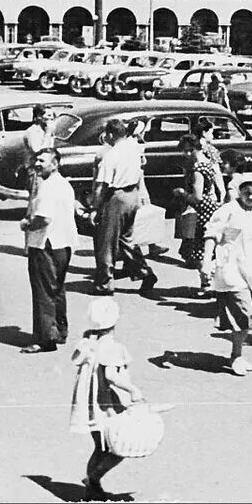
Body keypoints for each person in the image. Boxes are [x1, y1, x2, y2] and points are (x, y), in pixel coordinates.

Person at [201, 173, 252, 376]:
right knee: (243, 315)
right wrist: (205, 263)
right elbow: (212, 234)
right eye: (247, 193)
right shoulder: (228, 210)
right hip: (232, 270)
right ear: (240, 191)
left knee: (249, 316)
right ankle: (236, 355)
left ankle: (237, 353)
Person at [69, 298, 147, 502]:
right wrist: (132, 389)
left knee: (100, 446)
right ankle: (93, 479)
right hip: (106, 405)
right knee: (118, 448)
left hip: (91, 404)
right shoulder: (112, 347)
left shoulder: (88, 343)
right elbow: (112, 376)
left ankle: (92, 487)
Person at [21, 148, 79, 353]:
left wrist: (26, 224)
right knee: (58, 288)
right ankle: (59, 330)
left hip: (46, 244)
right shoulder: (64, 184)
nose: (38, 163)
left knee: (43, 291)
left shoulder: (47, 187)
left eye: (43, 161)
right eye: (37, 159)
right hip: (64, 242)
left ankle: (45, 338)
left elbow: (43, 218)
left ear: (55, 164)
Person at [88, 119, 155, 296]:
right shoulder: (134, 149)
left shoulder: (111, 155)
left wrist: (95, 208)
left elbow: (102, 185)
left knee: (107, 242)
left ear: (110, 134)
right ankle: (144, 272)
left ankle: (104, 283)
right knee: (125, 239)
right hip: (132, 195)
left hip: (116, 198)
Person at [178, 134, 223, 289]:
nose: (186, 154)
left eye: (188, 151)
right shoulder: (208, 163)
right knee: (212, 246)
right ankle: (213, 282)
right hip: (211, 206)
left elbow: (197, 196)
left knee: (201, 248)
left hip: (203, 209)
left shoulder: (197, 169)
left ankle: (206, 284)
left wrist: (182, 193)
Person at [23, 105, 57, 194]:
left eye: (52, 115)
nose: (52, 117)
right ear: (39, 117)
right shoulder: (32, 131)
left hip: (47, 168)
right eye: (48, 115)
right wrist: (48, 134)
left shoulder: (46, 130)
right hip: (36, 169)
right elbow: (38, 151)